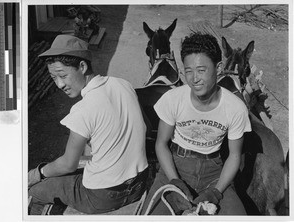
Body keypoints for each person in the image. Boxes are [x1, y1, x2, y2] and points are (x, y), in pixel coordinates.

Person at [28, 35, 148, 215]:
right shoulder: (123, 84)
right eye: (54, 78)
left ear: (82, 67)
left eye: (63, 75)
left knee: (35, 191)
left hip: (103, 196)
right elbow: (145, 125)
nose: (60, 84)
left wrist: (37, 173)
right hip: (139, 184)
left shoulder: (82, 110)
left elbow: (68, 164)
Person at [140, 32, 251, 215]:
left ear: (219, 67)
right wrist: (174, 180)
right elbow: (161, 143)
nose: (194, 78)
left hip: (214, 174)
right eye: (188, 71)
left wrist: (216, 191)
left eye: (201, 70)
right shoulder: (173, 99)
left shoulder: (235, 107)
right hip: (176, 166)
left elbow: (234, 156)